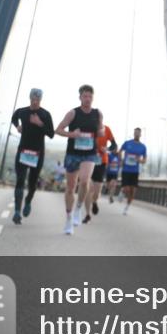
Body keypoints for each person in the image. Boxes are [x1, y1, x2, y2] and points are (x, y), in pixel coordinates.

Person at [55, 85, 104, 235]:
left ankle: (78, 208)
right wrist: (72, 135)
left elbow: (101, 130)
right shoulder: (73, 113)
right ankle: (69, 218)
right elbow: (58, 130)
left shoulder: (98, 113)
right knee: (70, 188)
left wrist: (100, 132)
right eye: (85, 96)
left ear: (93, 98)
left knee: (84, 180)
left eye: (90, 96)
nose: (87, 99)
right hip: (73, 154)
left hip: (89, 153)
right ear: (80, 97)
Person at [9, 88, 55, 224]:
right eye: (33, 99)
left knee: (32, 183)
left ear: (41, 100)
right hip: (23, 151)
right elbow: (14, 118)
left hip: (37, 153)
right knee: (20, 180)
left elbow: (51, 134)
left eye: (37, 100)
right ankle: (17, 211)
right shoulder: (22, 111)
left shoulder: (45, 114)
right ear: (29, 98)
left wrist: (39, 123)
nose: (35, 102)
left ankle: (28, 201)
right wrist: (17, 126)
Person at [86, 123, 117, 220]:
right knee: (89, 188)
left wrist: (107, 149)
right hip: (88, 160)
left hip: (102, 162)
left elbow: (114, 145)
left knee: (97, 190)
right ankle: (88, 214)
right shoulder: (88, 127)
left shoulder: (107, 129)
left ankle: (94, 202)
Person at [118, 128, 147, 215]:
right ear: (134, 134)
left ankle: (127, 207)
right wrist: (121, 160)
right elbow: (120, 151)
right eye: (135, 133)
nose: (137, 134)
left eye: (138, 133)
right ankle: (122, 191)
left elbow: (144, 160)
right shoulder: (128, 143)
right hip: (126, 169)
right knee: (127, 189)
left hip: (135, 171)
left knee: (133, 191)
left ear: (140, 135)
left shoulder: (143, 147)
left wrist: (139, 160)